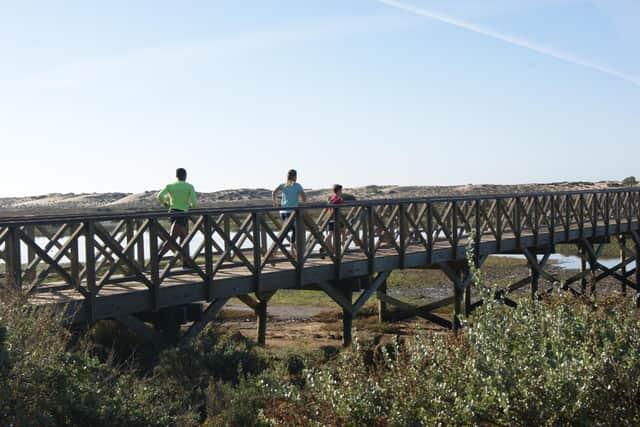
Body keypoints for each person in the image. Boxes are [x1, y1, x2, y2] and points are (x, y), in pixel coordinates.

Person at [157, 168, 198, 269]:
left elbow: (160, 196)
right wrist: (189, 206)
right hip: (183, 214)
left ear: (176, 176)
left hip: (173, 213)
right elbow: (195, 203)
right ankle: (157, 258)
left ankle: (185, 263)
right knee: (174, 239)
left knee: (183, 239)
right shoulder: (189, 187)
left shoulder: (170, 186)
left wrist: (166, 204)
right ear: (185, 176)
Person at [272, 169, 306, 258]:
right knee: (290, 230)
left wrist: (275, 202)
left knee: (292, 229)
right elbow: (304, 198)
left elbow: (274, 192)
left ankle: (290, 250)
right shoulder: (298, 186)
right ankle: (275, 251)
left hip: (283, 212)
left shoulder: (283, 185)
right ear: (295, 176)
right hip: (291, 212)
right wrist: (301, 201)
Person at [323, 184, 345, 255]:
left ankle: (335, 249)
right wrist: (341, 200)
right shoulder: (337, 197)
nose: (342, 192)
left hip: (331, 217)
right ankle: (342, 247)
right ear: (338, 191)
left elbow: (330, 201)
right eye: (341, 190)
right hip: (334, 218)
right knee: (336, 232)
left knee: (335, 232)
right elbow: (331, 202)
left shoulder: (332, 196)